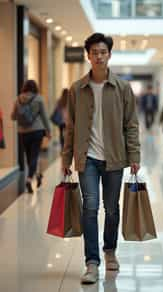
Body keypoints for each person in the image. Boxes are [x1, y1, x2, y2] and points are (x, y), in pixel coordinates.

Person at [62, 33, 140, 284]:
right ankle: (92, 262)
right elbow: (71, 127)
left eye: (103, 52)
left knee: (112, 209)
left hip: (115, 158)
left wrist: (134, 154)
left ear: (109, 55)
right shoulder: (77, 89)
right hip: (88, 159)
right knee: (90, 207)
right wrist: (66, 157)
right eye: (94, 52)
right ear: (88, 55)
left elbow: (131, 124)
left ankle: (109, 251)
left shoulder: (122, 88)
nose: (98, 56)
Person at [11, 80, 51, 193]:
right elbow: (44, 116)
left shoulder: (18, 99)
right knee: (34, 156)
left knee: (29, 157)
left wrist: (20, 114)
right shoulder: (38, 99)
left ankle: (37, 175)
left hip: (23, 132)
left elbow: (13, 117)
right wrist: (48, 130)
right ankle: (29, 180)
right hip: (37, 131)